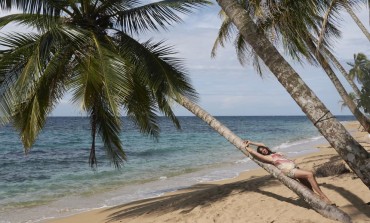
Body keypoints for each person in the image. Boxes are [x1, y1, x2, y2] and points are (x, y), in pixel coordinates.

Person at [243, 140, 333, 205]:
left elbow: (261, 144)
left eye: (263, 149)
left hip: (295, 168)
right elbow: (254, 153)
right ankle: (323, 197)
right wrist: (246, 147)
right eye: (262, 151)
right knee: (310, 174)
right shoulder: (267, 158)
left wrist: (251, 142)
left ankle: (316, 199)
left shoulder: (273, 153)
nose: (263, 150)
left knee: (308, 186)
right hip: (290, 171)